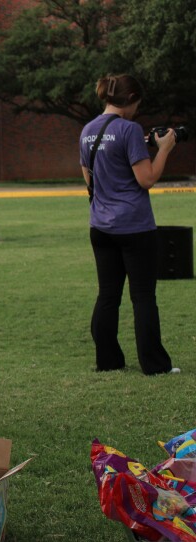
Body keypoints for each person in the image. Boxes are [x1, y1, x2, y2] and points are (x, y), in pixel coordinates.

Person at [79, 74, 180, 376]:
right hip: (135, 226)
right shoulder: (129, 129)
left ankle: (108, 361)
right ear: (132, 98)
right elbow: (146, 179)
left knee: (108, 294)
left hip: (101, 226)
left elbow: (89, 178)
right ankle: (154, 364)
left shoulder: (88, 130)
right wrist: (163, 149)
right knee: (143, 296)